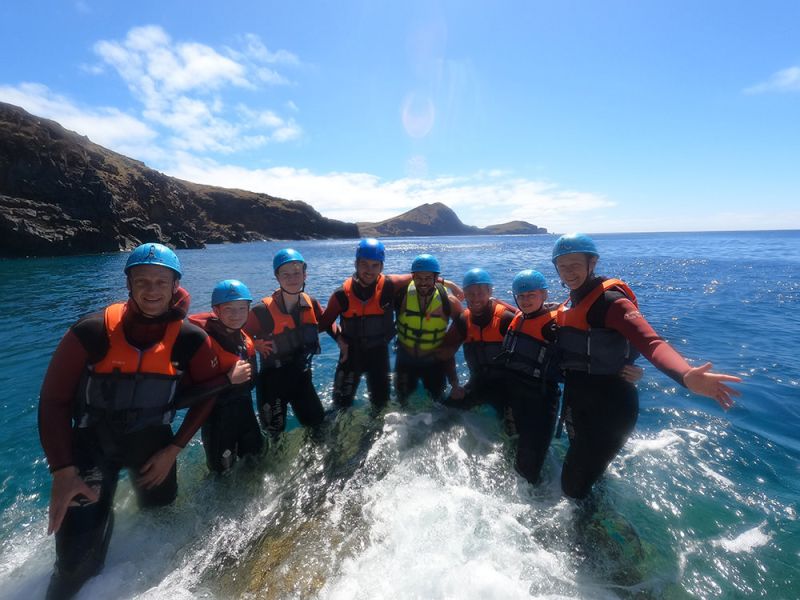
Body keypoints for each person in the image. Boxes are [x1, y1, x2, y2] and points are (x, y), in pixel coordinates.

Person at [38, 243, 225, 599]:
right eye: (142, 281)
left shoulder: (189, 339)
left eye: (161, 282)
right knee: (74, 564)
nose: (152, 290)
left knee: (160, 518)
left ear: (175, 287)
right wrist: (62, 470)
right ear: (128, 285)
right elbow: (53, 401)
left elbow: (208, 392)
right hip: (91, 449)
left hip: (152, 448)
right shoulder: (91, 332)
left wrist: (174, 449)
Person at [552, 233, 742, 500]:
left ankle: (589, 535)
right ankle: (595, 509)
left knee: (572, 486)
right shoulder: (569, 304)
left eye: (575, 264)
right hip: (577, 403)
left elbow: (651, 343)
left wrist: (685, 374)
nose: (569, 272)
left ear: (591, 263)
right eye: (562, 266)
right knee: (585, 473)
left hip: (609, 408)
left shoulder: (612, 302)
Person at [244, 248, 326, 438]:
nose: (292, 278)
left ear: (305, 274)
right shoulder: (261, 311)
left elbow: (326, 323)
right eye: (285, 274)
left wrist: (342, 341)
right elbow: (237, 335)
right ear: (277, 277)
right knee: (274, 436)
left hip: (301, 375)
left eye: (297, 273)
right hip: (272, 381)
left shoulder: (310, 303)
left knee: (319, 427)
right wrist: (254, 345)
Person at [318, 238, 406, 410]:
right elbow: (323, 324)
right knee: (340, 405)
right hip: (350, 355)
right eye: (364, 264)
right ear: (356, 264)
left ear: (381, 267)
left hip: (379, 354)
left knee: (381, 405)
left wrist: (445, 284)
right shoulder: (341, 296)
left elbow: (419, 276)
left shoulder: (390, 286)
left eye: (375, 265)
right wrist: (339, 339)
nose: (369, 270)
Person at [188, 280, 262, 473]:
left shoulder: (245, 340)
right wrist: (227, 380)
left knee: (257, 463)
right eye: (229, 309)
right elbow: (187, 396)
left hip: (246, 416)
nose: (236, 315)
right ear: (216, 310)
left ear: (248, 310)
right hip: (217, 423)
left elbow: (252, 382)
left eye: (241, 308)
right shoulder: (203, 344)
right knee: (221, 476)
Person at [440, 268, 517, 426]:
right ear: (464, 294)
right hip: (478, 383)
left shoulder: (505, 319)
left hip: (507, 387)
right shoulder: (463, 321)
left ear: (489, 291)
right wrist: (455, 385)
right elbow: (446, 352)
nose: (475, 299)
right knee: (442, 416)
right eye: (470, 293)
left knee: (514, 434)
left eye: (480, 293)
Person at [394, 253, 464, 402]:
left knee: (438, 405)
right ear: (412, 277)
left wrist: (452, 348)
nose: (423, 283)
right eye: (419, 278)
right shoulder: (401, 295)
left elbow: (465, 327)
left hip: (433, 361)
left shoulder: (449, 301)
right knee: (401, 404)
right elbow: (380, 283)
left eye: (427, 278)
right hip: (405, 360)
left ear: (435, 278)